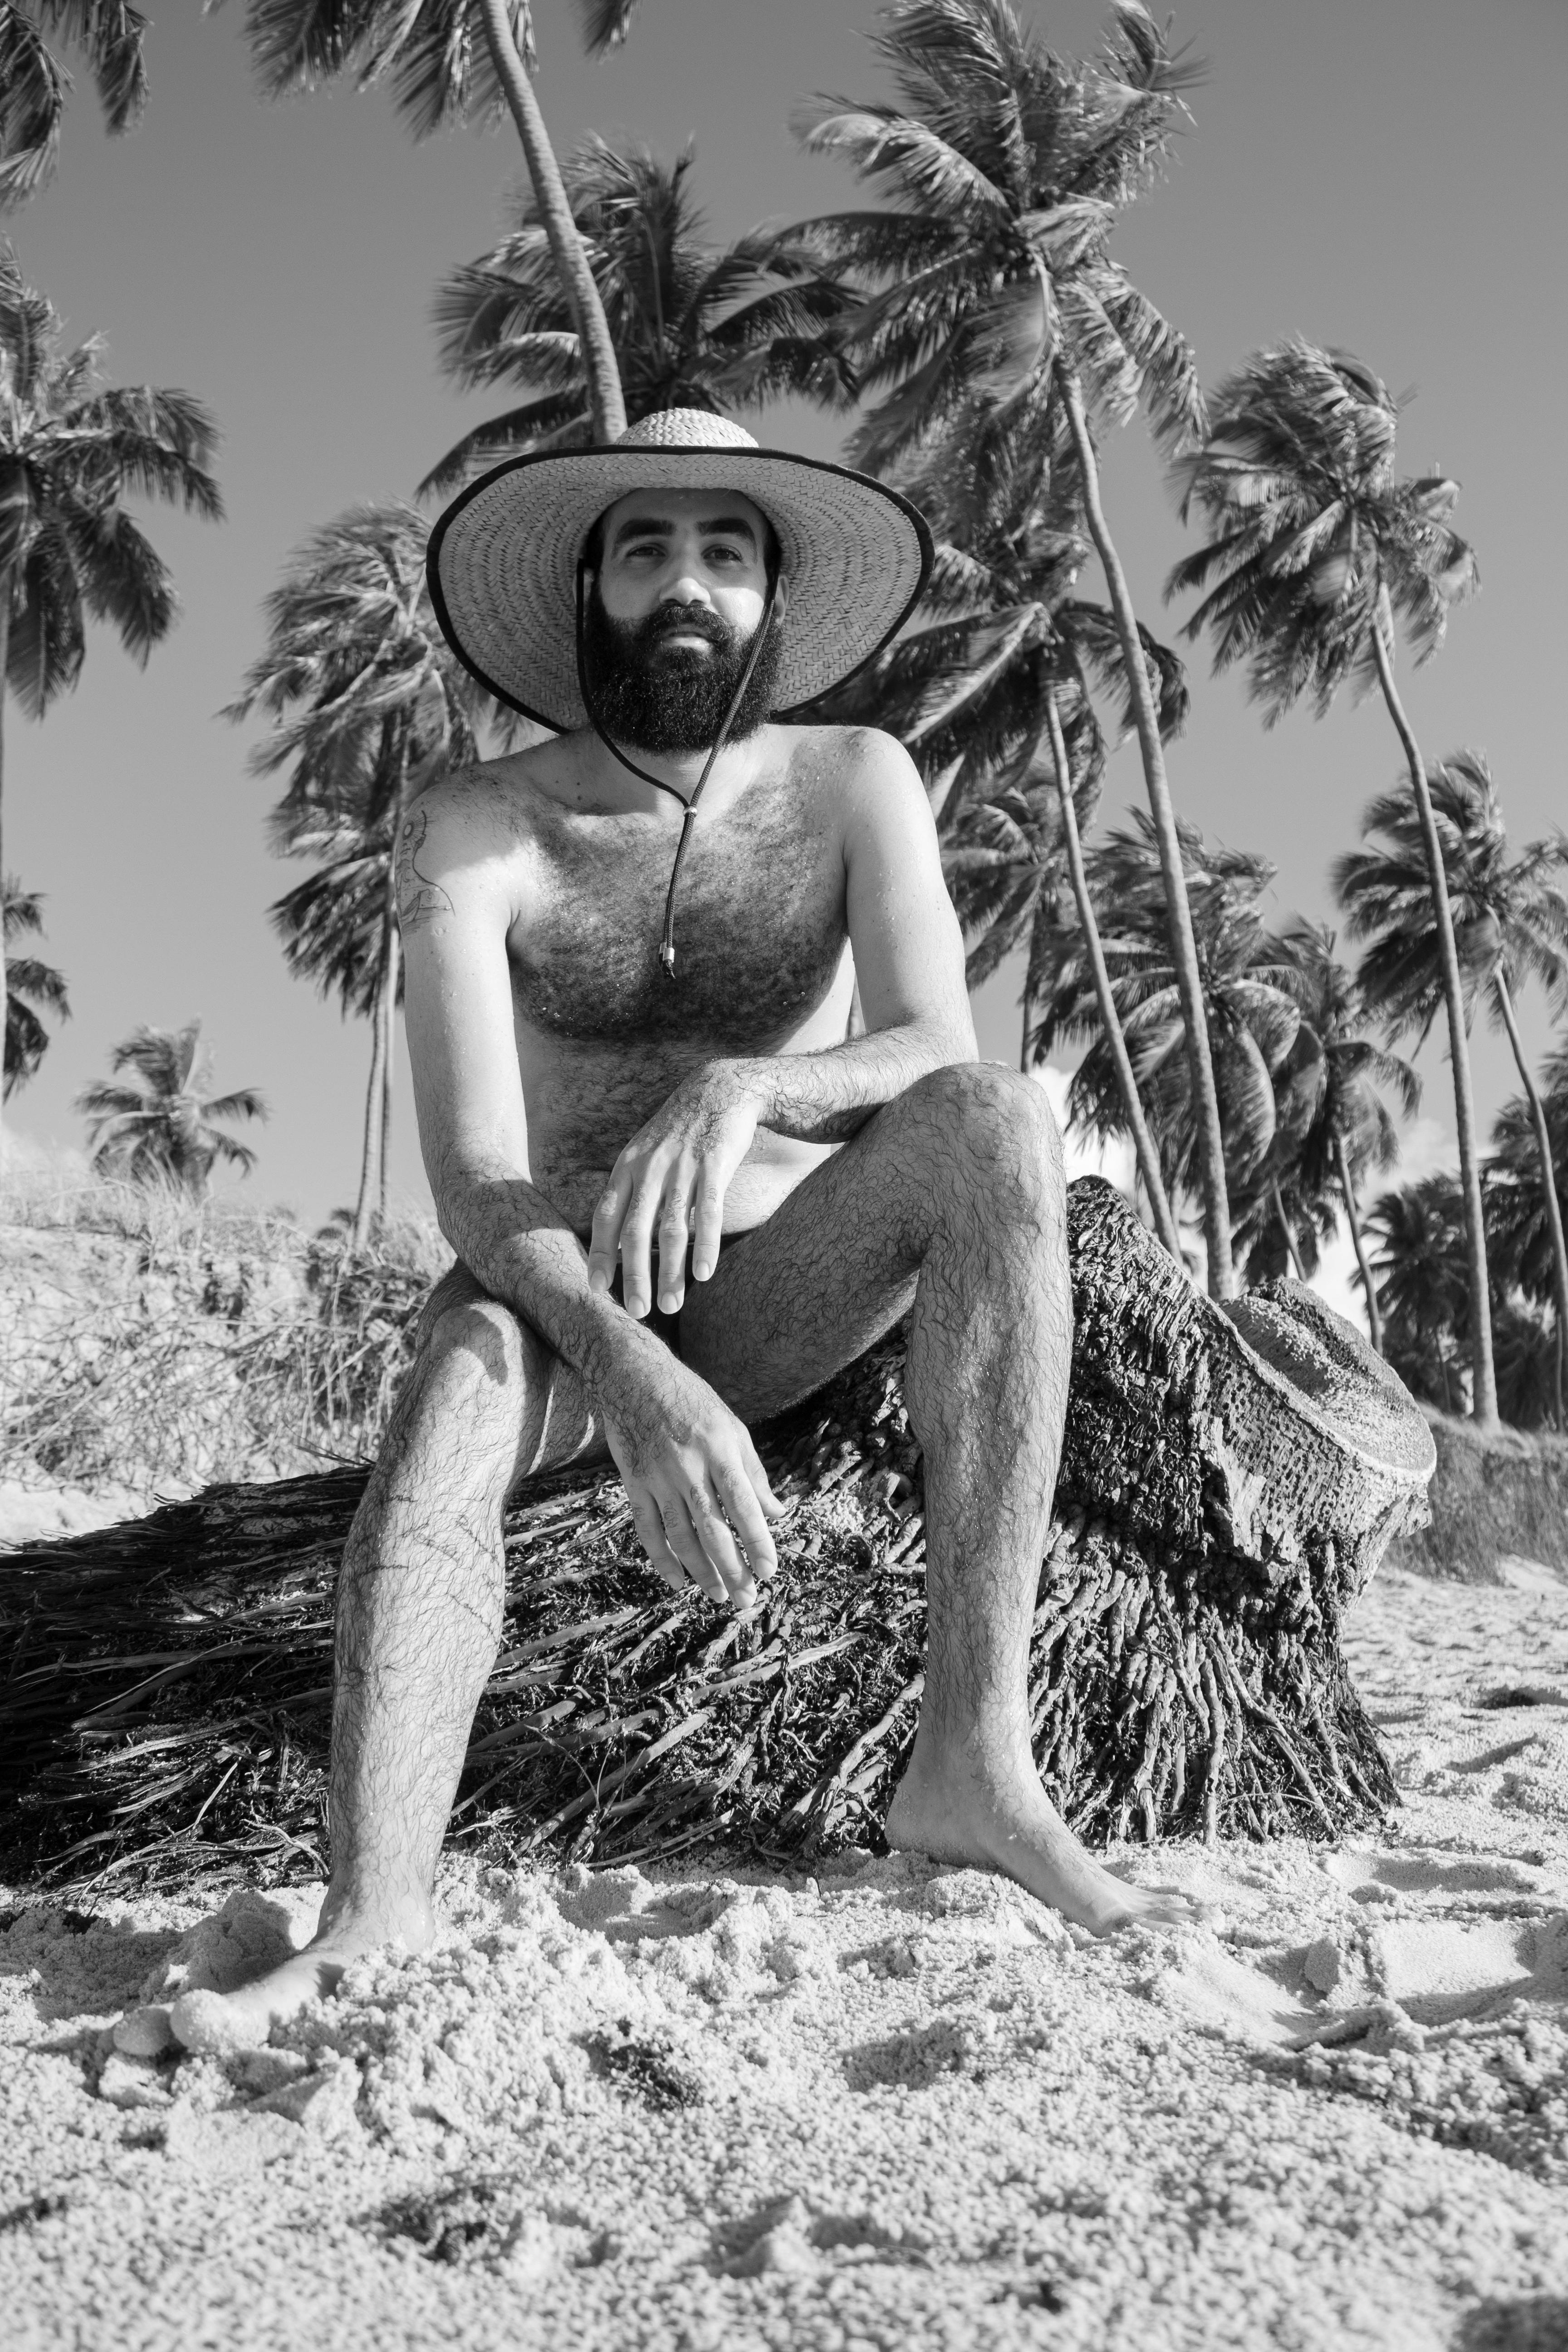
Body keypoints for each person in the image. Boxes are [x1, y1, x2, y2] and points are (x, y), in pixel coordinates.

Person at [181, 411, 1194, 2047]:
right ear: (590, 586)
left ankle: (974, 1765)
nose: (688, 584)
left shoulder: (855, 777)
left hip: (790, 1281)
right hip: (560, 1298)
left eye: (725, 550)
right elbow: (474, 1178)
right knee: (450, 1399)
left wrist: (751, 1089)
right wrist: (631, 1378)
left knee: (1005, 1119)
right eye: (647, 548)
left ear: (771, 592)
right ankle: (374, 1912)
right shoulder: (476, 824)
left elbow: (938, 1040)